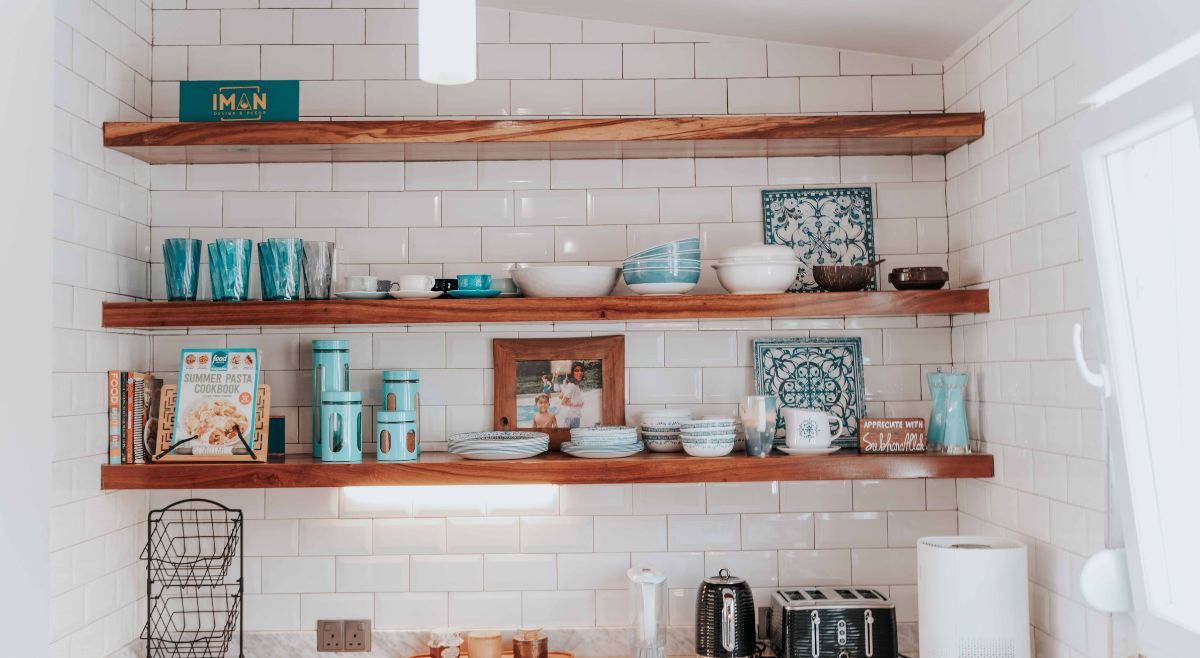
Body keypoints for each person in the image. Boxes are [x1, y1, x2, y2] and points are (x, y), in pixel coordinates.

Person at [557, 362, 587, 429]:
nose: (580, 373)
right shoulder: (572, 386)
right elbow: (563, 402)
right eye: (576, 370)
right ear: (572, 373)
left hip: (573, 416)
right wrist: (578, 404)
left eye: (581, 370)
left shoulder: (573, 385)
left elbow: (560, 396)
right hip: (572, 417)